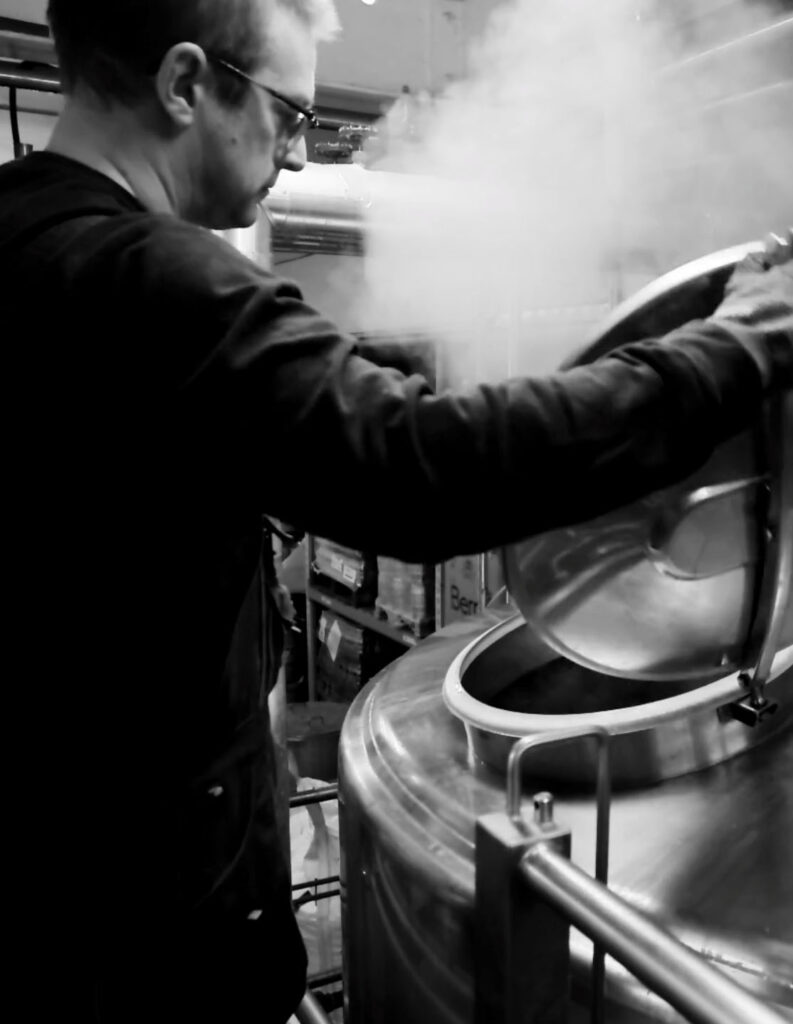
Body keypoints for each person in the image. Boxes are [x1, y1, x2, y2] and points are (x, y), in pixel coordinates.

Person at [0, 1, 790, 1021]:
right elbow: (422, 466)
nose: (293, 155)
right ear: (185, 84)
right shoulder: (161, 282)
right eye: (288, 116)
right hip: (142, 938)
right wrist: (738, 351)